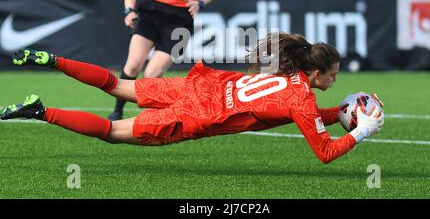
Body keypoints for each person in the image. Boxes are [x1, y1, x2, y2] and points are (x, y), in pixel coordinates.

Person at [2, 35, 384, 164]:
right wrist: (361, 129)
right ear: (316, 74)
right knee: (110, 131)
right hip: (200, 113)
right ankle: (41, 111)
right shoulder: (302, 99)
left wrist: (344, 112)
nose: (336, 79)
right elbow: (324, 152)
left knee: (118, 85)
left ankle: (52, 60)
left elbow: (304, 111)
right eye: (333, 74)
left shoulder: (290, 75)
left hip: (198, 88)